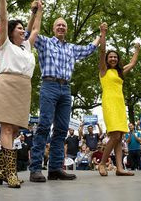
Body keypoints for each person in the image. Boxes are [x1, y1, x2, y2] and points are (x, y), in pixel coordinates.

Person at [28, 18, 106, 182]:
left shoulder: (71, 48)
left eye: (64, 25)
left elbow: (89, 49)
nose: (61, 27)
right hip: (49, 85)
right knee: (43, 126)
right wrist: (35, 13)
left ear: (67, 29)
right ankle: (35, 168)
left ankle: (55, 168)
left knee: (61, 130)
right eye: (58, 25)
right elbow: (29, 34)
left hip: (66, 89)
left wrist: (101, 34)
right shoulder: (45, 42)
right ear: (53, 28)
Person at [0, 0, 43, 188]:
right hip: (7, 85)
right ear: (11, 32)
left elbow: (35, 29)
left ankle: (1, 170)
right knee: (7, 129)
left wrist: (39, 10)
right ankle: (10, 173)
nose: (22, 30)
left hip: (23, 88)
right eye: (18, 28)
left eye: (22, 28)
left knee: (15, 131)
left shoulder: (26, 47)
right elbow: (3, 19)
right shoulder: (5, 44)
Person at [98, 22, 140, 176]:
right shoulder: (103, 70)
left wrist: (137, 49)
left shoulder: (121, 72)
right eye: (111, 57)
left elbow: (133, 62)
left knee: (120, 136)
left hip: (120, 104)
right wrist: (103, 33)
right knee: (114, 135)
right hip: (109, 104)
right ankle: (102, 163)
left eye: (115, 57)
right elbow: (102, 50)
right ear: (107, 59)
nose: (113, 59)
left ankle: (120, 168)